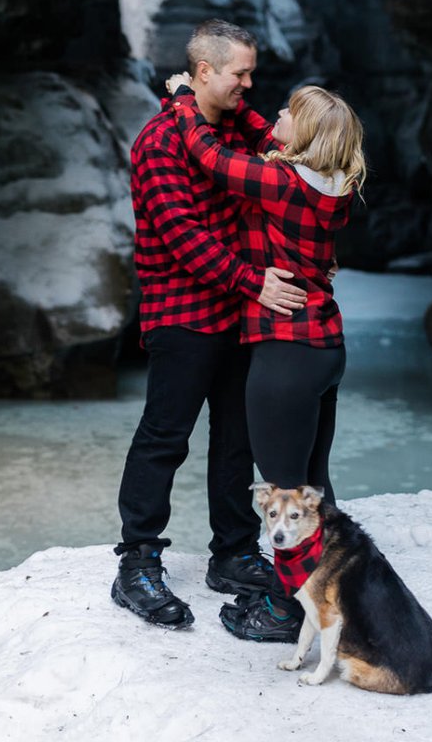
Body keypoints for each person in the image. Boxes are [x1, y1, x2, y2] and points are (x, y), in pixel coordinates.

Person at [111, 19, 309, 629]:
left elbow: (274, 146)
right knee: (166, 436)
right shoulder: (160, 143)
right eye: (239, 74)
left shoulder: (230, 130)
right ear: (202, 73)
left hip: (237, 316)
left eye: (251, 72)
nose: (250, 83)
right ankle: (137, 562)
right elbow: (182, 237)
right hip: (182, 313)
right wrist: (255, 282)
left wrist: (249, 292)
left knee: (236, 437)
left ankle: (231, 554)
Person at [166, 80, 366, 641]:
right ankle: (330, 594)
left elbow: (208, 156)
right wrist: (247, 110)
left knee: (284, 495)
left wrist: (185, 98)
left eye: (288, 112)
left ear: (304, 135)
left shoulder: (279, 182)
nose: (274, 113)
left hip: (284, 355)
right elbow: (266, 135)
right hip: (324, 347)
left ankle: (283, 612)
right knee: (313, 484)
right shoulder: (334, 183)